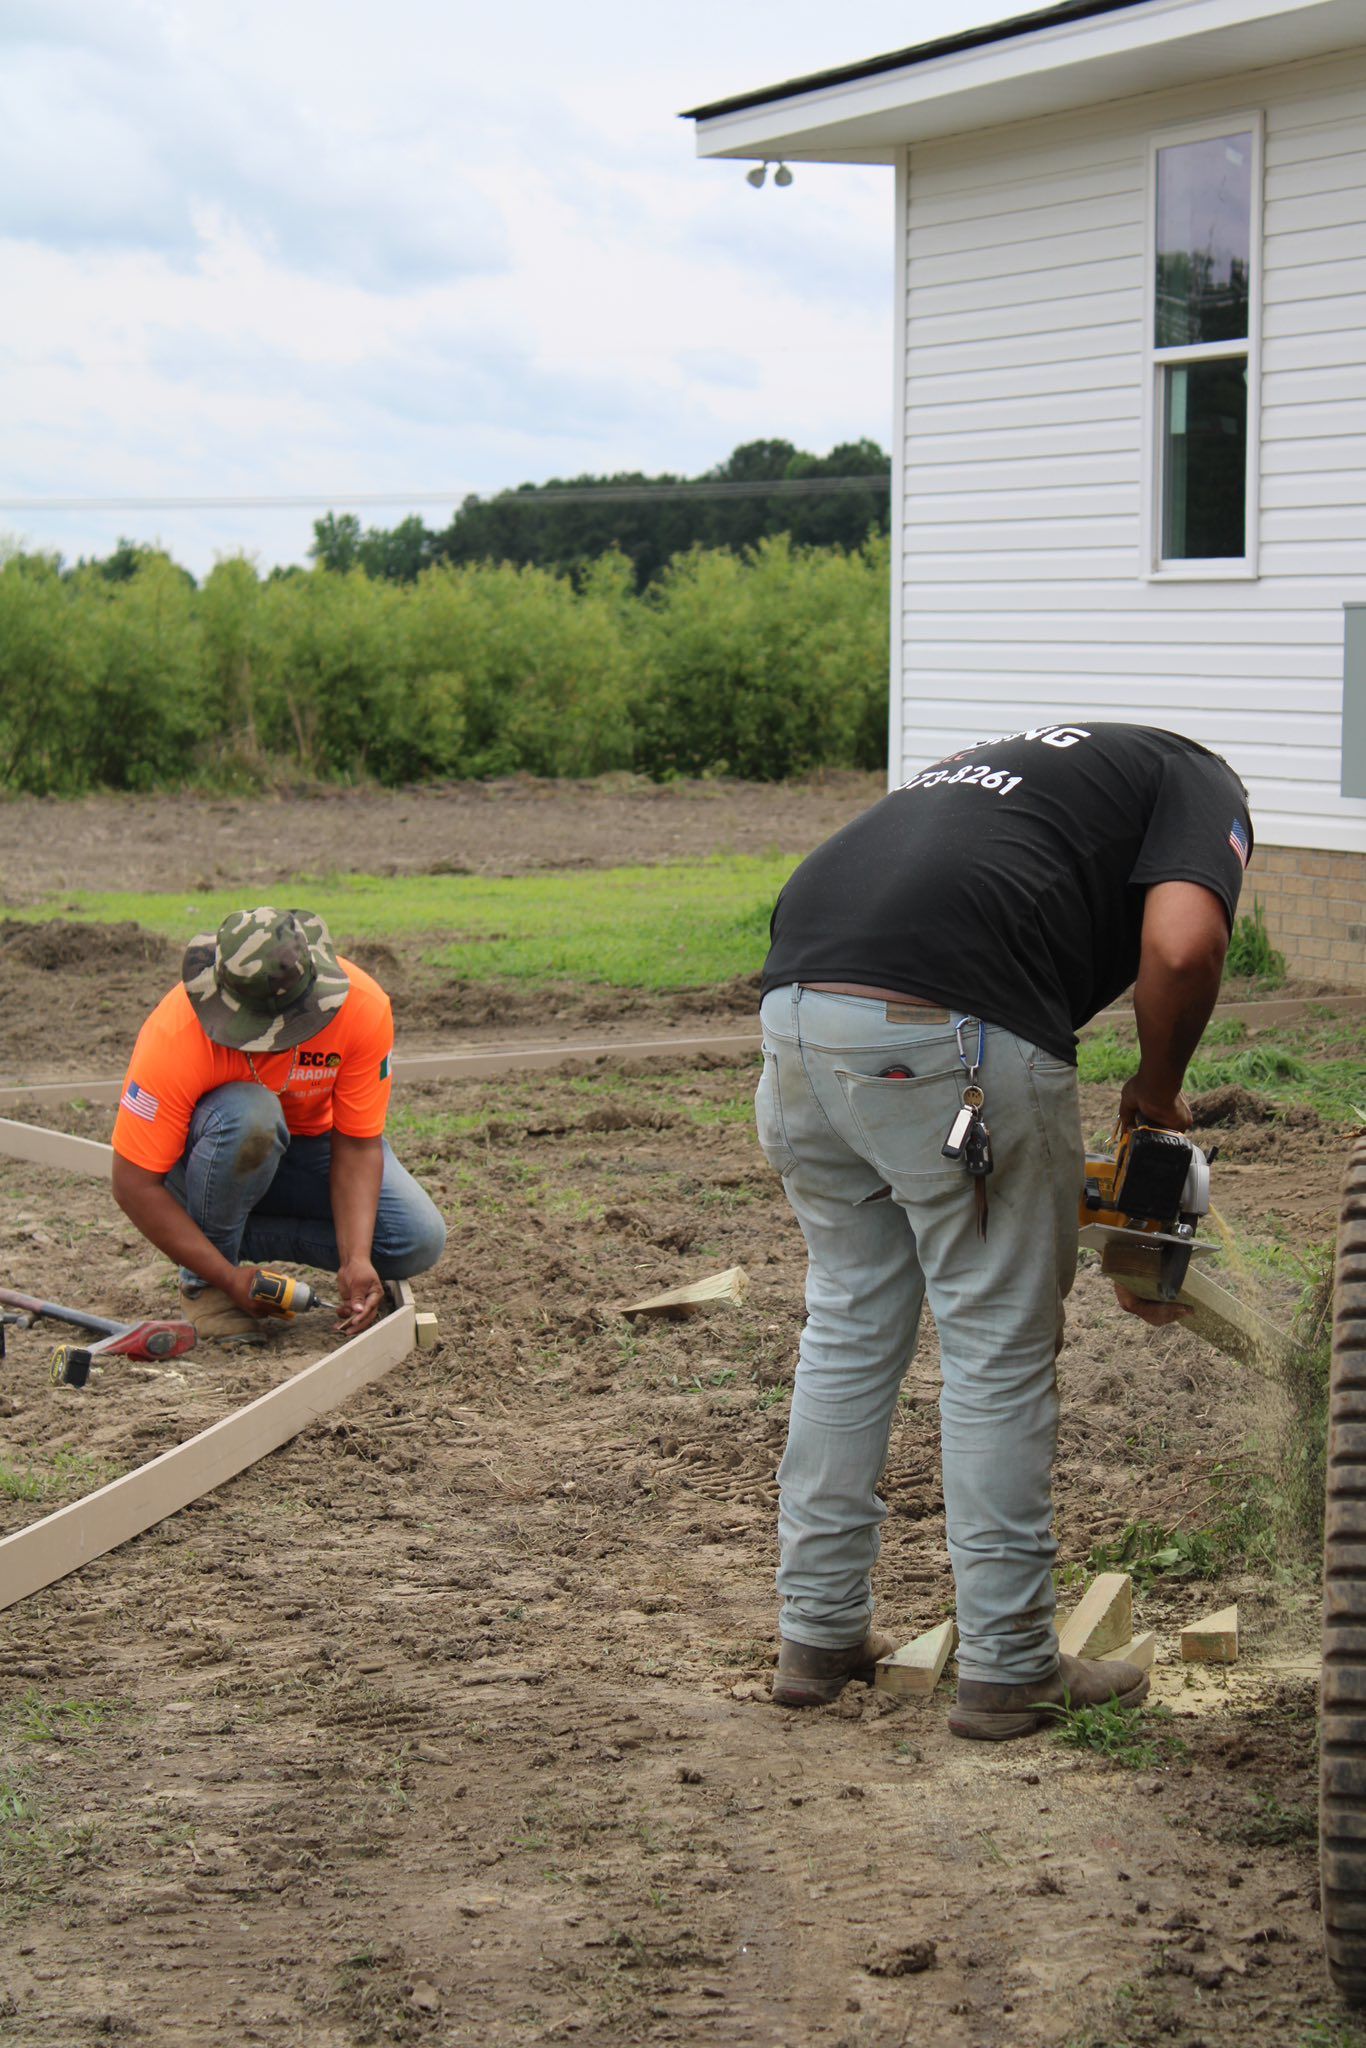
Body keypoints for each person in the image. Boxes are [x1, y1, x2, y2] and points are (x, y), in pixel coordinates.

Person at [755, 722, 1252, 1739]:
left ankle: (815, 1634)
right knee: (994, 1347)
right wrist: (1154, 1092)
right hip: (957, 1033)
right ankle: (1012, 1666)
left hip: (797, 1017)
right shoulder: (1198, 778)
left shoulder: (1024, 777)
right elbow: (1183, 942)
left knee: (848, 1322)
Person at [112, 907, 446, 1342]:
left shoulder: (362, 1008)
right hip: (210, 1161)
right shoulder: (176, 1035)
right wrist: (227, 1278)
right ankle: (207, 1284)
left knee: (415, 1239)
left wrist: (356, 1258)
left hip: (311, 1150)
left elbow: (358, 1144)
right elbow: (132, 1184)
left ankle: (221, 1243)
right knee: (251, 1115)